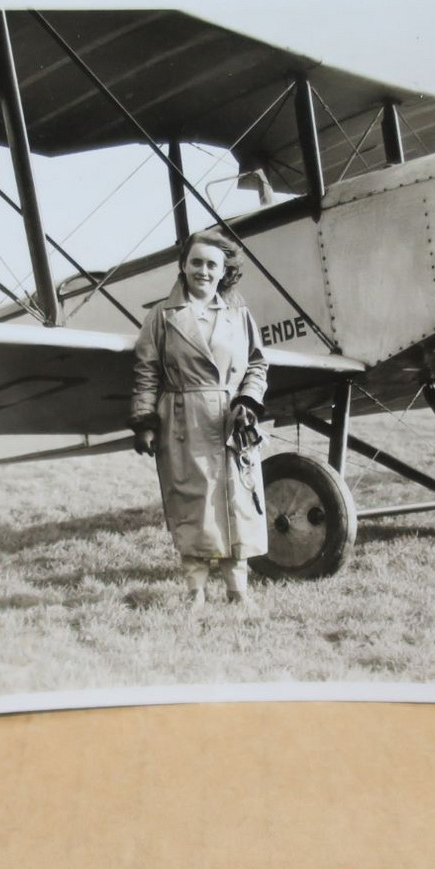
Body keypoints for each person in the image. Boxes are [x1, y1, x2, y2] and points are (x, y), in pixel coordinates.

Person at [130, 234, 268, 606]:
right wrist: (144, 420)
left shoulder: (239, 315)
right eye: (196, 263)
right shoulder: (161, 316)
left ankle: (238, 589)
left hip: (232, 420)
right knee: (192, 504)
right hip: (182, 421)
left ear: (223, 271)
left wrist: (247, 401)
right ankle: (196, 591)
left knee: (237, 502)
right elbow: (147, 371)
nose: (203, 271)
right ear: (183, 265)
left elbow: (257, 363)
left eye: (211, 264)